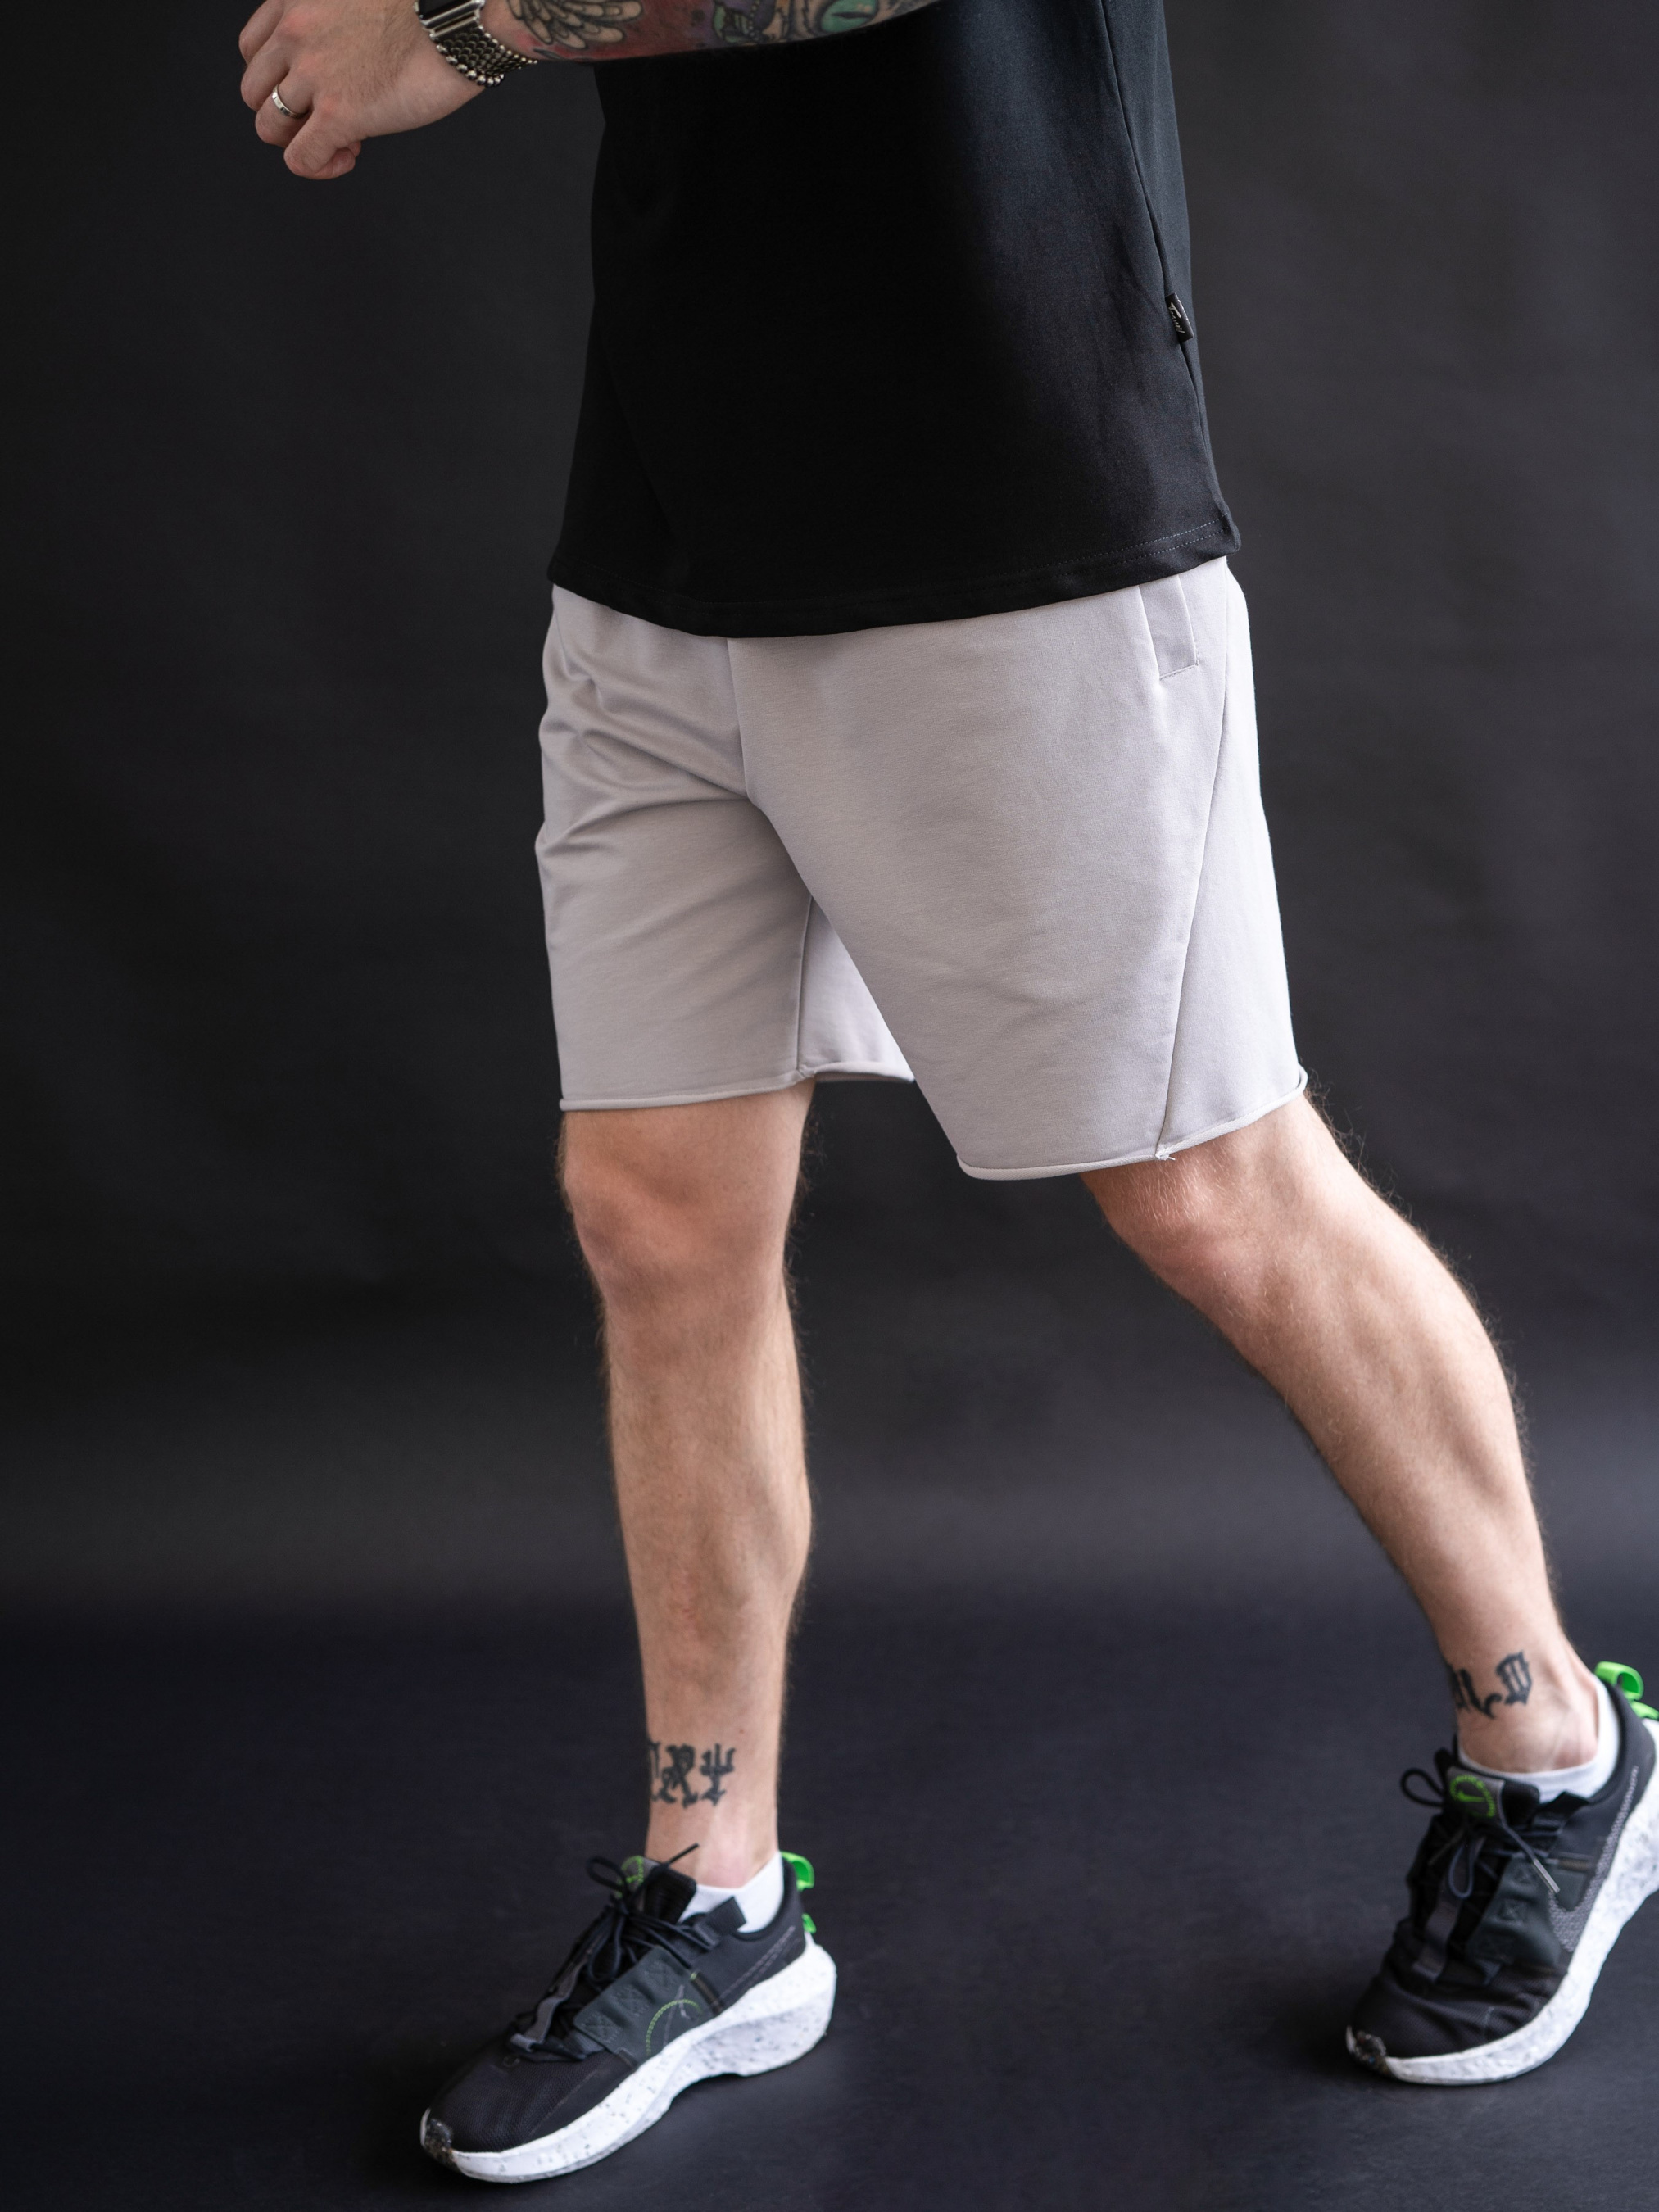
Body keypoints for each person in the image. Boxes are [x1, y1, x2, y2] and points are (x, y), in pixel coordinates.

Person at [238, 0, 1659, 2183]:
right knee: (656, 1214)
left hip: (1011, 491)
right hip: (671, 513)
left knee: (1207, 1183)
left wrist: (464, 23)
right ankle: (717, 1898)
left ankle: (1559, 1750)